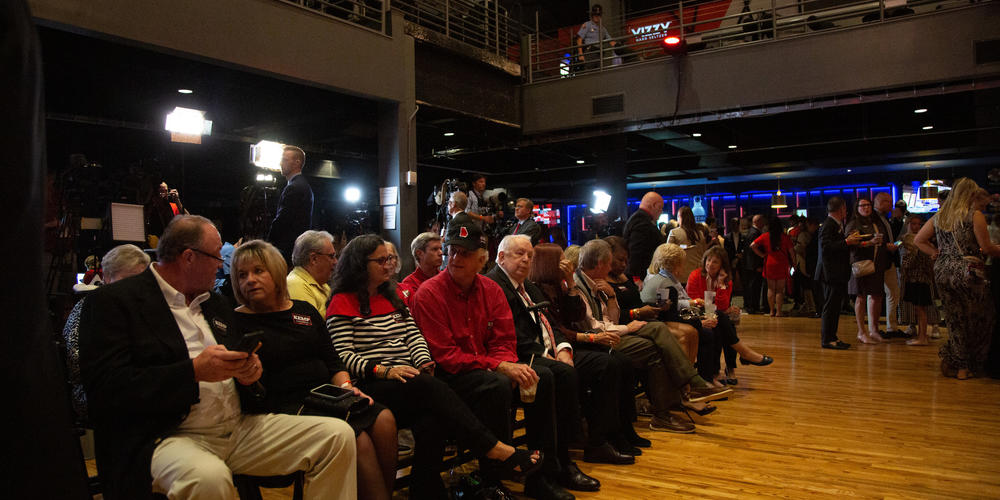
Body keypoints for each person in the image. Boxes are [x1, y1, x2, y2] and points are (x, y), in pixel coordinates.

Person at [78, 215, 357, 500]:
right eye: (216, 257)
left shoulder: (214, 304)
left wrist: (249, 374)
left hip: (237, 427)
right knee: (207, 479)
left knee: (336, 436)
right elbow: (106, 388)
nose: (221, 266)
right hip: (168, 435)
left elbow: (239, 373)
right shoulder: (115, 302)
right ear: (189, 257)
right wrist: (193, 372)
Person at [327, 234, 538, 499]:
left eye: (389, 259)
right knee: (430, 386)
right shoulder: (341, 302)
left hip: (409, 379)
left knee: (432, 418)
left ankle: (424, 488)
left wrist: (424, 361)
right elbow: (342, 356)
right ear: (359, 264)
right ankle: (495, 449)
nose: (388, 265)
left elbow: (413, 335)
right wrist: (385, 371)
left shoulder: (391, 296)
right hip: (371, 385)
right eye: (380, 260)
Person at [231, 239, 396, 500]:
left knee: (384, 420)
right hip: (283, 406)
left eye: (258, 271)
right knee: (359, 439)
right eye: (242, 275)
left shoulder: (303, 311)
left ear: (275, 272)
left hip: (326, 395)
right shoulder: (236, 322)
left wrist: (347, 388)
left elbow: (333, 360)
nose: (249, 280)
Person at [410, 220, 546, 497]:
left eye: (465, 253)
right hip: (447, 375)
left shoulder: (491, 290)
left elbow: (505, 341)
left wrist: (504, 366)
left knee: (547, 377)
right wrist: (498, 366)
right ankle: (494, 474)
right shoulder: (429, 293)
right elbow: (445, 356)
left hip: (481, 371)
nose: (456, 258)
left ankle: (547, 471)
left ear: (482, 260)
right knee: (494, 384)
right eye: (452, 251)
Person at [486, 235, 613, 497]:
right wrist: (547, 354)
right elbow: (513, 336)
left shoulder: (527, 286)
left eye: (530, 255)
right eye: (519, 254)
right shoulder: (494, 284)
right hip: (514, 355)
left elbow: (552, 324)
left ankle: (563, 462)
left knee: (573, 368)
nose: (526, 260)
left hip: (540, 351)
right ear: (501, 257)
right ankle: (544, 472)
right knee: (553, 375)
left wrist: (564, 349)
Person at [576, 240, 732, 427]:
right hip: (604, 337)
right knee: (668, 340)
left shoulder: (603, 282)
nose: (618, 265)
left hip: (624, 326)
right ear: (600, 264)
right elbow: (599, 325)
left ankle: (679, 396)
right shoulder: (581, 285)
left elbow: (613, 317)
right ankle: (679, 396)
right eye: (614, 261)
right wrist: (633, 320)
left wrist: (612, 298)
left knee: (681, 330)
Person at [530, 243, 652, 451]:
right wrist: (591, 339)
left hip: (573, 342)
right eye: (561, 258)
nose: (567, 263)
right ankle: (600, 438)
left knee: (622, 362)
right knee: (608, 364)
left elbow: (576, 316)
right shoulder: (538, 290)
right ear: (549, 263)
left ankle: (621, 430)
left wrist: (570, 283)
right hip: (561, 347)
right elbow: (557, 329)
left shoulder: (561, 286)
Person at [914, 178, 1000, 379]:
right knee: (980, 318)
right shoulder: (973, 215)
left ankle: (960, 366)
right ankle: (970, 365)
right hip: (968, 271)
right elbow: (986, 248)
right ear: (970, 195)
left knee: (955, 320)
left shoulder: (940, 217)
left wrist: (935, 253)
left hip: (943, 271)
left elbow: (919, 240)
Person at [63, 244, 150, 422]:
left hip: (136, 386)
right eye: (128, 280)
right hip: (95, 393)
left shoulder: (145, 307)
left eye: (141, 280)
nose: (135, 287)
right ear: (108, 278)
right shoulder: (88, 307)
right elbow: (77, 364)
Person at [686, 246, 773, 384]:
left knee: (723, 322)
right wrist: (716, 311)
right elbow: (693, 302)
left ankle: (720, 370)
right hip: (698, 314)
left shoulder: (726, 280)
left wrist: (720, 284)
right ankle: (740, 356)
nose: (710, 264)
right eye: (708, 260)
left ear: (722, 265)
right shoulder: (695, 275)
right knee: (724, 320)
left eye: (715, 262)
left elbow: (722, 306)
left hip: (715, 314)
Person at [815, 197, 864, 349]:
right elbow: (826, 248)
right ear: (841, 209)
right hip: (830, 273)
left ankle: (832, 337)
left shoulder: (834, 224)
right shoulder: (829, 225)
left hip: (835, 273)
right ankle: (828, 339)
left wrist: (849, 242)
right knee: (830, 307)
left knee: (835, 307)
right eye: (844, 208)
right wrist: (847, 242)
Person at [846, 197, 894, 344]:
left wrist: (887, 246)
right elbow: (851, 243)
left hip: (877, 264)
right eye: (863, 205)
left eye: (868, 205)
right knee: (860, 297)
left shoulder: (876, 222)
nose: (866, 208)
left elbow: (882, 241)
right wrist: (869, 242)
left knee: (877, 296)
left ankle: (874, 330)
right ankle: (862, 331)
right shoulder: (854, 223)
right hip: (861, 264)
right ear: (857, 207)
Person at [268, 145, 313, 263]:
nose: (280, 163)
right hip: (294, 249)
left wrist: (267, 245)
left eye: (284, 160)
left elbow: (282, 221)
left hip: (286, 251)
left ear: (297, 163)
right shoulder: (301, 185)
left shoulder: (294, 187)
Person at [899, 214, 934, 346]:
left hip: (919, 278)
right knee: (918, 309)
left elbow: (907, 262)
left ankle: (922, 336)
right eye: (913, 224)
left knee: (920, 309)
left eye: (919, 224)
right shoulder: (908, 240)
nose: (916, 227)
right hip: (915, 278)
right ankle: (921, 335)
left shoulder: (915, 242)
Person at [750, 217, 794, 317]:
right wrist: (794, 264)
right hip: (782, 264)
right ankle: (778, 311)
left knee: (770, 289)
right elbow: (791, 252)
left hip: (769, 262)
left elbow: (752, 245)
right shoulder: (785, 237)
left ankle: (771, 311)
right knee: (780, 290)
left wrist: (762, 255)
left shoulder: (765, 236)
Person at [874, 192, 904, 337]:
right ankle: (876, 328)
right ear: (879, 202)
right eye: (888, 202)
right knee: (875, 295)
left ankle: (891, 327)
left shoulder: (885, 219)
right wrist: (887, 246)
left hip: (888, 260)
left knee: (893, 292)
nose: (890, 205)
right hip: (880, 261)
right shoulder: (874, 219)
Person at [287, 230, 337, 315]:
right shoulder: (295, 284)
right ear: (314, 259)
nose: (336, 261)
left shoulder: (323, 285)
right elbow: (309, 326)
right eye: (331, 256)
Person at [623, 191, 666, 280]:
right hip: (642, 276)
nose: (661, 211)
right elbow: (636, 251)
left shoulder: (639, 219)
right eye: (660, 207)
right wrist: (636, 278)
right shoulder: (641, 221)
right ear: (653, 205)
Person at [667, 206, 712, 284]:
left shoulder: (674, 233)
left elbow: (667, 253)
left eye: (678, 216)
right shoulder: (700, 234)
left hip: (681, 275)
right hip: (697, 274)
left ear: (680, 217)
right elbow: (704, 253)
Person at [399, 231, 443, 306]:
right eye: (435, 249)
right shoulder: (409, 284)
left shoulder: (445, 278)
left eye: (440, 248)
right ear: (419, 253)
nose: (441, 253)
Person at [576, 4, 617, 71]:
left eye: (598, 15)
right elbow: (579, 39)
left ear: (601, 16)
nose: (597, 16)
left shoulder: (603, 29)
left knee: (598, 73)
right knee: (589, 72)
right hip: (590, 52)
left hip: (599, 53)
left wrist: (618, 45)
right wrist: (580, 54)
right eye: (595, 14)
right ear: (592, 15)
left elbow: (611, 41)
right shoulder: (587, 25)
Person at [145, 181, 186, 245]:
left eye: (166, 191)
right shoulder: (151, 208)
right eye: (161, 191)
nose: (163, 194)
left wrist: (177, 200)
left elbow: (188, 218)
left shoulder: (173, 206)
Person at [740, 215, 766, 314]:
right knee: (754, 286)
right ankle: (753, 307)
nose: (763, 224)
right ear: (758, 222)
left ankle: (750, 306)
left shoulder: (751, 232)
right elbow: (752, 252)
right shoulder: (755, 233)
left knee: (751, 286)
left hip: (750, 265)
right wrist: (758, 265)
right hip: (754, 266)